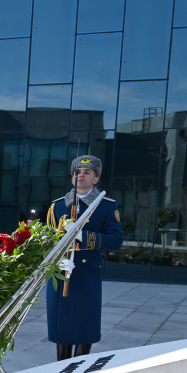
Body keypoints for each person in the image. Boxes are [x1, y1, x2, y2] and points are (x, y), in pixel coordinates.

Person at [45, 155, 123, 361]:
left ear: (96, 179)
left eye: (87, 172)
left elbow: (115, 240)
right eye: (77, 172)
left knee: (84, 322)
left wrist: (83, 236)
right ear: (72, 178)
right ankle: (60, 366)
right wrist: (57, 257)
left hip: (88, 273)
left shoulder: (106, 206)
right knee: (60, 321)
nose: (81, 175)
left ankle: (78, 367)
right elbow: (47, 239)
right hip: (61, 271)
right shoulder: (58, 206)